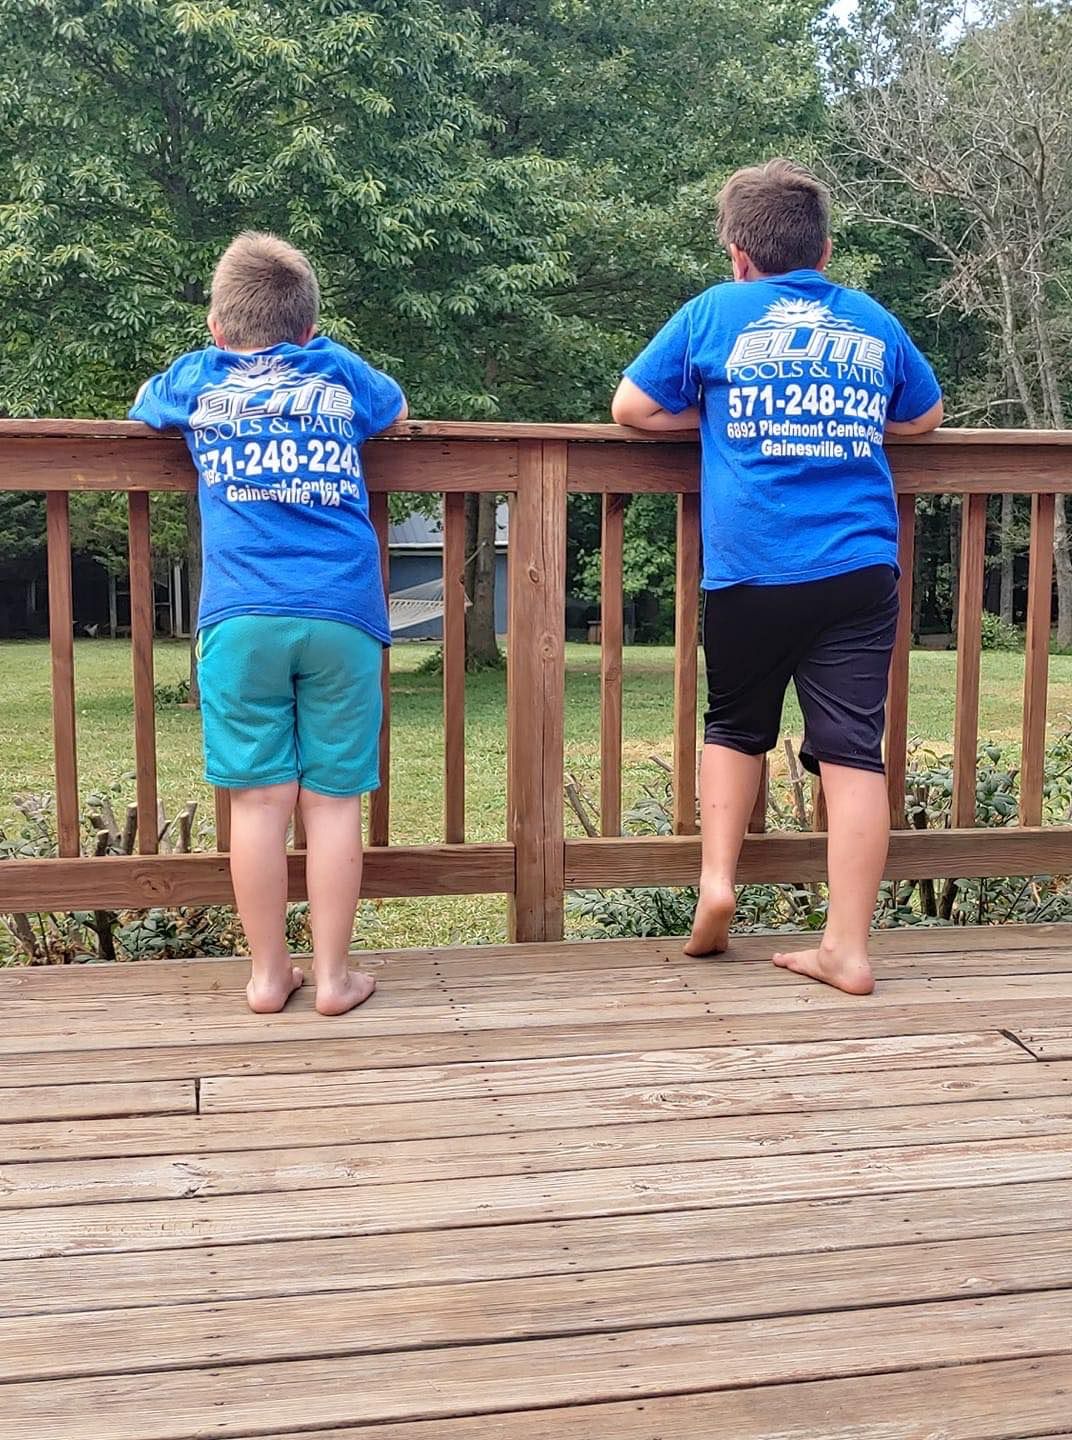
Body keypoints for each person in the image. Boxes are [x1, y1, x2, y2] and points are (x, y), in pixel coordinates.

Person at [612, 159, 943, 995]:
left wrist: (716, 412)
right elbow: (925, 415)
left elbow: (632, 409)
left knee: (733, 724)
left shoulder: (714, 313)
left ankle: (718, 883)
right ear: (825, 251)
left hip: (750, 566)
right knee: (851, 752)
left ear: (738, 254)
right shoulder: (869, 319)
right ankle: (848, 949)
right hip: (858, 565)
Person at [131, 232, 406, 1015]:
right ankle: (332, 977)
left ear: (218, 328)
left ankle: (264, 975)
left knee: (257, 804)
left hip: (240, 613)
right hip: (342, 613)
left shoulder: (197, 375)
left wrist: (215, 369)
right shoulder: (336, 368)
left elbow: (144, 405)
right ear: (309, 327)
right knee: (332, 803)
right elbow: (394, 406)